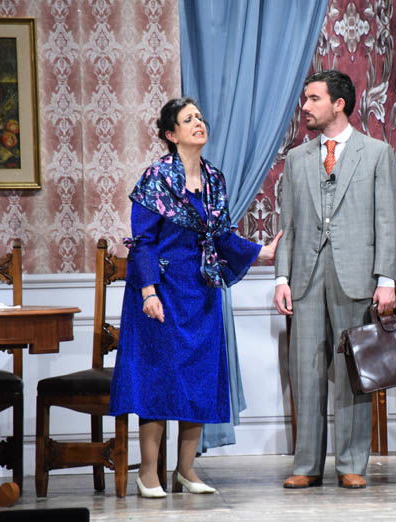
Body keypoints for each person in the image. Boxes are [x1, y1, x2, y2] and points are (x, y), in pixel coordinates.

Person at [110, 97, 281, 498]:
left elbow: (221, 236)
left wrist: (262, 253)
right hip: (161, 291)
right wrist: (148, 292)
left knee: (198, 380)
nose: (198, 123)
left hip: (201, 290)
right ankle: (148, 473)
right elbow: (142, 242)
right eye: (188, 120)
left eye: (200, 117)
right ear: (171, 134)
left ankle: (186, 470)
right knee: (158, 380)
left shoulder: (214, 179)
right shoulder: (156, 178)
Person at [273, 70, 396, 489]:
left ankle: (351, 463)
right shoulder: (297, 159)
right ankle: (307, 465)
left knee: (352, 370)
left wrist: (386, 280)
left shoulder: (376, 153)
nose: (305, 107)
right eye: (305, 99)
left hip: (356, 276)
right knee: (305, 369)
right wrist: (282, 277)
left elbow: (386, 221)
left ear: (338, 104)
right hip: (306, 277)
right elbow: (288, 224)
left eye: (313, 99)